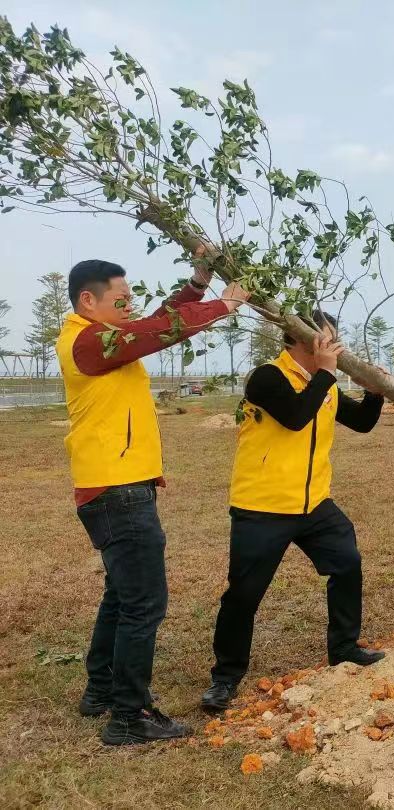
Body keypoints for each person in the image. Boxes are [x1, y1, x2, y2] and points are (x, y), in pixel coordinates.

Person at [57, 254, 248, 745]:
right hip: (117, 489)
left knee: (122, 594)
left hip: (116, 486)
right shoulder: (87, 341)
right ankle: (129, 716)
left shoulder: (105, 337)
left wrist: (197, 284)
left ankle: (101, 690)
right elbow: (156, 332)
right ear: (88, 300)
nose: (131, 307)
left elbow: (155, 322)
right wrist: (221, 307)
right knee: (144, 603)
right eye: (122, 300)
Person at [201, 313, 388, 711]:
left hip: (314, 503)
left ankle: (344, 647)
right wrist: (327, 373)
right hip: (262, 506)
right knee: (244, 594)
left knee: (347, 562)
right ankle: (225, 677)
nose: (337, 347)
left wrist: (374, 393)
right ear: (305, 340)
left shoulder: (323, 383)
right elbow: (296, 417)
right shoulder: (267, 377)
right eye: (330, 340)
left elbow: (362, 423)